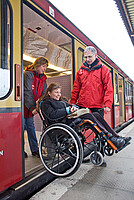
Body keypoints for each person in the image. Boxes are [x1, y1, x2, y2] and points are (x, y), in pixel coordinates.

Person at [39, 83, 131, 163]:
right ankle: (110, 138)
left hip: (68, 121)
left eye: (59, 92)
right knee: (89, 116)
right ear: (49, 93)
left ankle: (115, 137)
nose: (58, 94)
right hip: (61, 126)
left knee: (96, 114)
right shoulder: (45, 103)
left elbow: (69, 106)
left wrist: (74, 107)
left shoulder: (61, 101)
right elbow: (52, 115)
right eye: (56, 92)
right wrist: (67, 110)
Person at [70, 46, 113, 118]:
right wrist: (73, 102)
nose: (87, 59)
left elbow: (108, 88)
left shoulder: (104, 70)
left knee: (98, 127)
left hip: (97, 107)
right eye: (85, 57)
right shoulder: (81, 70)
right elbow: (76, 88)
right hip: (82, 105)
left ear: (96, 55)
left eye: (90, 56)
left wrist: (108, 104)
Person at [24, 56, 49, 158]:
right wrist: (32, 107)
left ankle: (35, 149)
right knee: (21, 129)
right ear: (37, 65)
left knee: (31, 128)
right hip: (24, 106)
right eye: (43, 66)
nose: (44, 69)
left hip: (32, 107)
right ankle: (20, 150)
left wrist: (40, 107)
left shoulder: (43, 78)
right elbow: (27, 92)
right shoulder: (28, 74)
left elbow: (44, 95)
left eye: (45, 67)